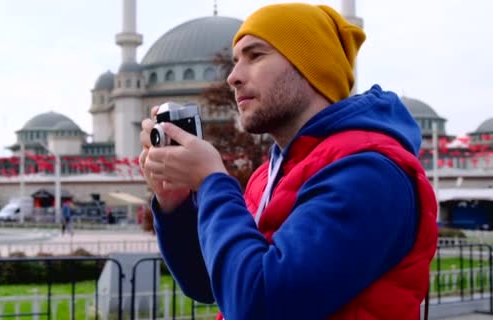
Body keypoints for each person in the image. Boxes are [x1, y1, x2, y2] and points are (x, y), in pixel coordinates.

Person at [139, 3, 438, 320]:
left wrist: (212, 181)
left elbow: (262, 304)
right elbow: (210, 283)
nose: (233, 77)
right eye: (235, 61)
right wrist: (175, 204)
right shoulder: (268, 175)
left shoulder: (370, 173)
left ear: (310, 68)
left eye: (255, 56)